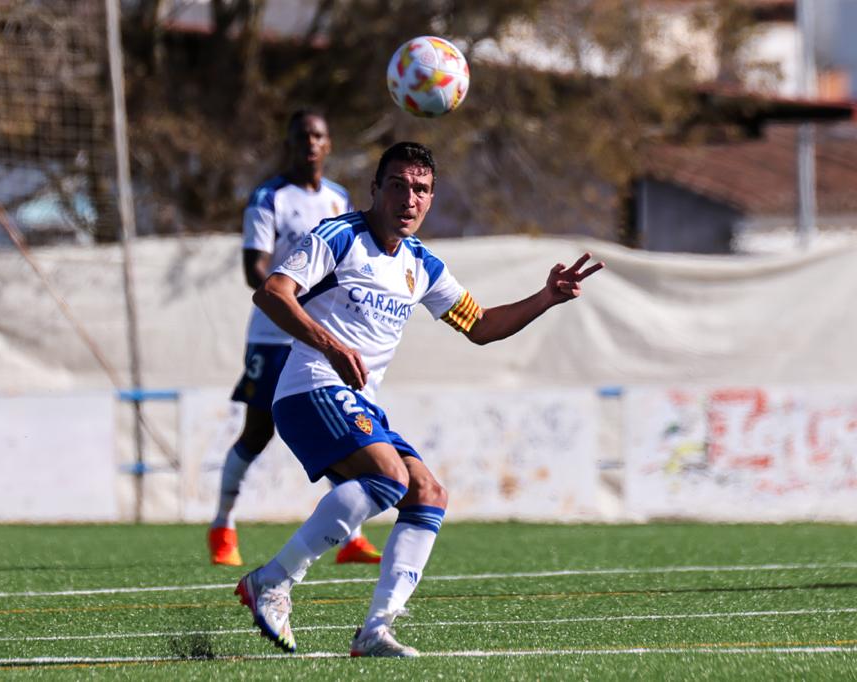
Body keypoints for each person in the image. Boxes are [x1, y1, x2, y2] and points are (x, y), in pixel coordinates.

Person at [234, 141, 604, 657]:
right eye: (399, 185)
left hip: (360, 404)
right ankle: (272, 582)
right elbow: (272, 292)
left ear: (431, 198)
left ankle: (375, 630)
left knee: (427, 493)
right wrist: (331, 345)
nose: (410, 198)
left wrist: (546, 297)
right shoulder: (339, 236)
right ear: (376, 190)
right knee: (390, 477)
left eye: (421, 189)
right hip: (310, 388)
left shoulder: (422, 265)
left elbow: (480, 325)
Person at [209, 109, 383, 566]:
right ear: (290, 143)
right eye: (302, 135)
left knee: (338, 428)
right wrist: (292, 299)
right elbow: (255, 269)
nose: (310, 143)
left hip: (322, 334)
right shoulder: (269, 198)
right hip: (273, 335)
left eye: (319, 135)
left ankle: (353, 538)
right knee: (258, 431)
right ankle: (223, 525)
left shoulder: (339, 198)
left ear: (329, 145)